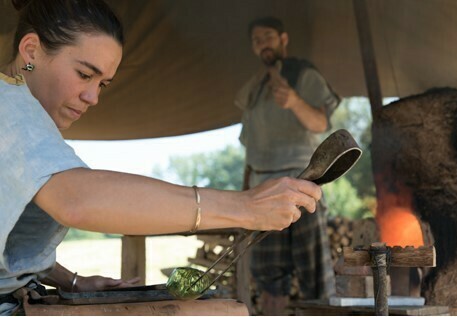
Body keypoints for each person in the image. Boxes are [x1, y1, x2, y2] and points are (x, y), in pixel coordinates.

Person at [0, 1, 323, 315]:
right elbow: (77, 199)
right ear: (31, 51)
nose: (93, 97)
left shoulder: (23, 114)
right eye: (85, 74)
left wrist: (71, 280)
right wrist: (243, 207)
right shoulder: (8, 105)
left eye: (102, 83)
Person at [235, 16, 339, 315]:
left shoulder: (302, 74)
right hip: (262, 190)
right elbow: (250, 152)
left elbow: (321, 123)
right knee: (270, 280)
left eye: (268, 36)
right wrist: (244, 198)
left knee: (316, 279)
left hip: (302, 183)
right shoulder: (254, 90)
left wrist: (294, 101)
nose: (262, 44)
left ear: (283, 39)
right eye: (256, 41)